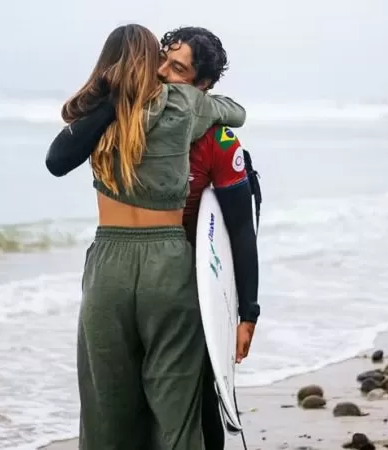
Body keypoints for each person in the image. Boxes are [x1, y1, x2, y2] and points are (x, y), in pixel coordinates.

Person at [45, 24, 246, 450]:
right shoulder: (186, 103)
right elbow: (236, 112)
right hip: (168, 265)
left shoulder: (97, 115)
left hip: (108, 268)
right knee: (176, 411)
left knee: (107, 410)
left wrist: (113, 97)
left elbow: (57, 160)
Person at [158, 26, 261, 450]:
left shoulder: (217, 138)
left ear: (202, 86)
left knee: (201, 396)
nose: (161, 72)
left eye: (177, 68)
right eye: (162, 59)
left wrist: (247, 312)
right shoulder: (137, 119)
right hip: (145, 278)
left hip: (193, 283)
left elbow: (239, 228)